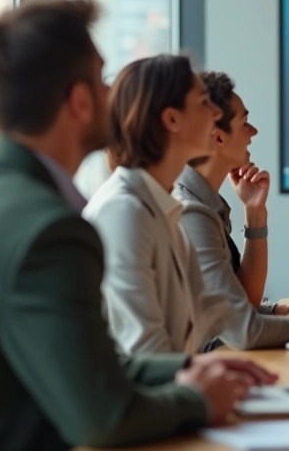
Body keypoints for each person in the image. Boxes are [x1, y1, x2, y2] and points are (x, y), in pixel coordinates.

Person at [0, 0, 273, 451]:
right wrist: (197, 399)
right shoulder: (46, 231)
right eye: (102, 80)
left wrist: (180, 371)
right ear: (79, 101)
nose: (113, 94)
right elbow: (104, 419)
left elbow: (88, 362)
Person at [175, 71, 289, 349]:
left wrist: (255, 212)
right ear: (218, 137)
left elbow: (244, 304)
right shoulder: (190, 212)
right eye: (244, 123)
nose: (253, 133)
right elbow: (242, 331)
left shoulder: (203, 202)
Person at [85, 54, 234, 355]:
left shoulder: (165, 207)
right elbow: (147, 351)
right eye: (204, 102)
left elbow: (210, 318)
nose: (217, 113)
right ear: (171, 119)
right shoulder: (124, 211)